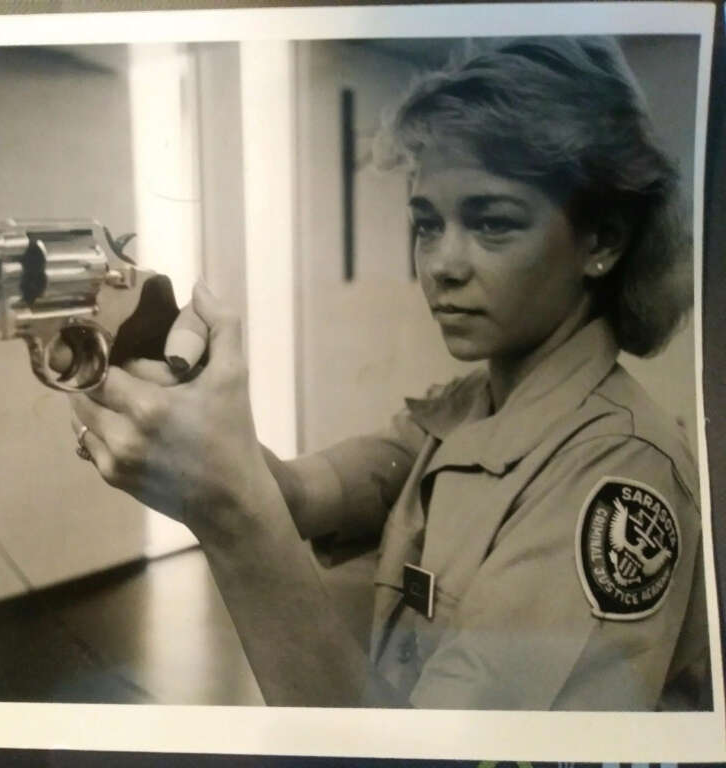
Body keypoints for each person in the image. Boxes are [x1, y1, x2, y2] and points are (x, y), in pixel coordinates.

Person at [67, 37, 709, 710]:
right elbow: (293, 493)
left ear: (601, 241)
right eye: (428, 225)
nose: (441, 264)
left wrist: (228, 511)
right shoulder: (469, 408)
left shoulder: (617, 478)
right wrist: (185, 404)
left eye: (492, 224)